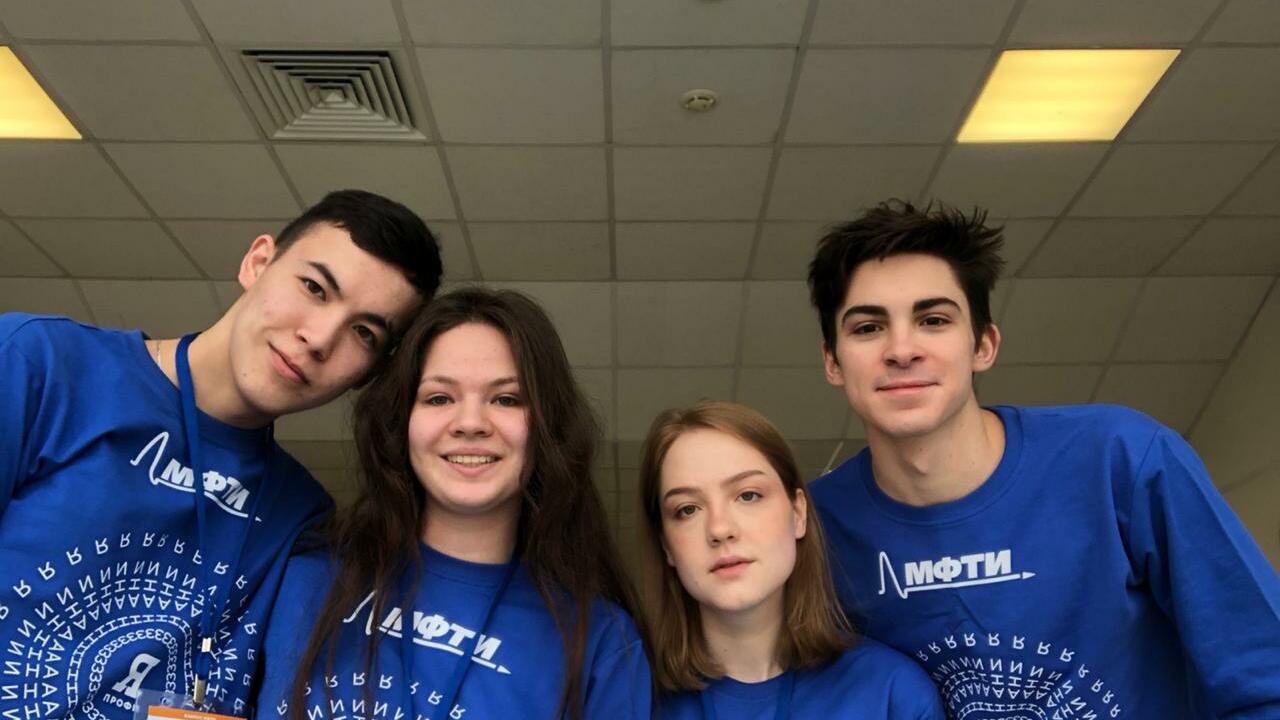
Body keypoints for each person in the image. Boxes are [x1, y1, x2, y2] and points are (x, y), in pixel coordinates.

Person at [806, 199, 1280, 718]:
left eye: (933, 320)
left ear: (984, 345)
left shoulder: (1118, 459)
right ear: (832, 361)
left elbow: (1264, 675)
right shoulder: (814, 526)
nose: (902, 349)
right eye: (867, 328)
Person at [0, 189, 443, 719]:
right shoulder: (42, 365)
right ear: (257, 262)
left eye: (364, 333)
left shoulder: (302, 517)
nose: (319, 337)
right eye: (314, 288)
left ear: (368, 374)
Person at [254, 287, 650, 720]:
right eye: (439, 398)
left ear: (547, 427)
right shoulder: (299, 576)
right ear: (402, 421)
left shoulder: (600, 641)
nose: (470, 423)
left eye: (506, 399)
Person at [639, 400, 944, 719]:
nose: (720, 529)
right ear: (666, 545)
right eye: (687, 509)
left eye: (748, 495)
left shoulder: (892, 694)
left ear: (798, 513)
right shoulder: (634, 697)